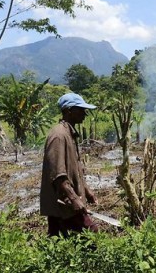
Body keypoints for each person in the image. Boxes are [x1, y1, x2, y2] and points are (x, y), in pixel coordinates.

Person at [40, 92, 98, 237]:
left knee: (58, 238)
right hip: (64, 202)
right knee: (90, 233)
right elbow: (58, 174)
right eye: (80, 109)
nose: (85, 113)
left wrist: (86, 191)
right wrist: (74, 198)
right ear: (68, 111)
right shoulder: (59, 136)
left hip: (63, 202)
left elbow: (74, 169)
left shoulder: (68, 133)